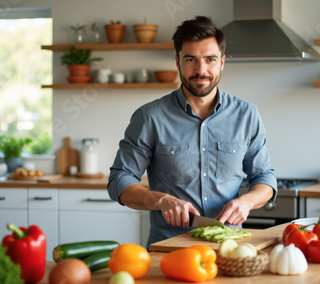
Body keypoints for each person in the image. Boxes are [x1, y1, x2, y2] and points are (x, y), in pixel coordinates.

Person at [107, 16, 277, 249]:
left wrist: (247, 201)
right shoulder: (149, 117)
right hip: (168, 249)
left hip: (229, 249)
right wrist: (162, 200)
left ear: (222, 62)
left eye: (210, 59)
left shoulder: (247, 115)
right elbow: (119, 180)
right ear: (177, 62)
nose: (201, 70)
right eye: (191, 60)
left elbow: (265, 179)